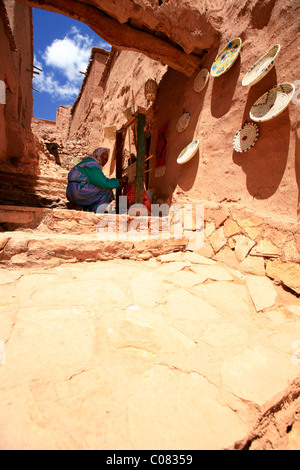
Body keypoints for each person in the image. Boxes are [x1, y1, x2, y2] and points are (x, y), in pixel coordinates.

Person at [66, 147, 128, 213]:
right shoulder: (92, 165)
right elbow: (103, 182)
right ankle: (98, 211)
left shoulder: (88, 162)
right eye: (102, 157)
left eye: (106, 159)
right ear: (97, 155)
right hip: (77, 191)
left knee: (101, 188)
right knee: (106, 190)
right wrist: (118, 182)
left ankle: (87, 207)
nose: (104, 161)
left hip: (72, 191)